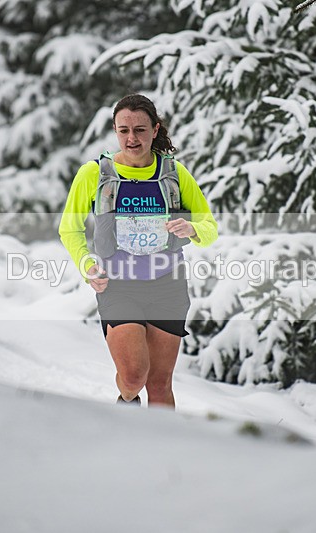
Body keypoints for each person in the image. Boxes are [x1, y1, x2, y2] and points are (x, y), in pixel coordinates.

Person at [59, 94, 218, 408]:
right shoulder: (94, 174)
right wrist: (87, 263)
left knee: (159, 385)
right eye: (124, 130)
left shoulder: (174, 174)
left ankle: (160, 454)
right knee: (134, 376)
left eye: (140, 130)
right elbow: (69, 228)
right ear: (116, 131)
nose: (132, 138)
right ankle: (126, 401)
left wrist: (194, 229)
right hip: (118, 285)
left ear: (155, 130)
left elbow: (209, 225)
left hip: (167, 286)